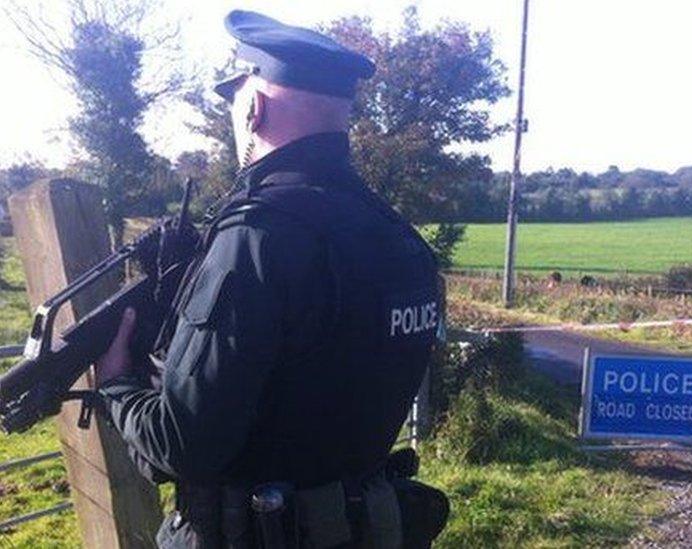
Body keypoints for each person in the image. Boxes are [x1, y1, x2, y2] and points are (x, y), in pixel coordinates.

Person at [94, 10, 447, 547]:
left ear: (253, 108)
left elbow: (181, 443)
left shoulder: (258, 236)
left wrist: (118, 382)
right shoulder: (400, 240)